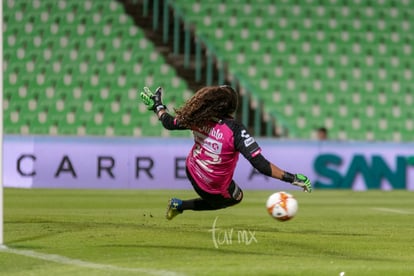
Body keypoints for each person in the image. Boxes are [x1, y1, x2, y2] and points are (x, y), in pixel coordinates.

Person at [140, 85, 312, 220]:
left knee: (223, 191)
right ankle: (180, 205)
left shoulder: (198, 117)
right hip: (212, 186)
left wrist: (158, 106)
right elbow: (260, 165)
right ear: (232, 109)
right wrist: (293, 178)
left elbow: (169, 123)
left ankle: (181, 205)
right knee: (236, 197)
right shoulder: (235, 130)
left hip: (191, 169)